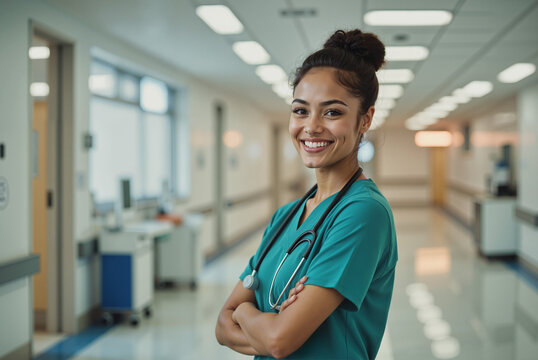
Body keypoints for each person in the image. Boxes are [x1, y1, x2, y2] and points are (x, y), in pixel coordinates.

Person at [215, 28, 398, 360]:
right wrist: (265, 322)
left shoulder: (363, 213)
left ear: (365, 119)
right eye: (300, 110)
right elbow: (222, 326)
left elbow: (278, 342)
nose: (311, 126)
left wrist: (246, 313)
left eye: (332, 112)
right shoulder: (285, 216)